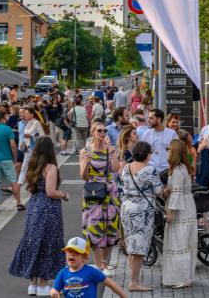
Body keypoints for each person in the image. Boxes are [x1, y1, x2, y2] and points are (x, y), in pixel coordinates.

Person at [8, 137, 68, 297]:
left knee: (35, 242)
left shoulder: (33, 166)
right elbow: (51, 192)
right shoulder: (51, 167)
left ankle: (32, 285)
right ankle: (43, 285)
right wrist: (64, 194)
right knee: (48, 243)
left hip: (34, 205)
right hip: (48, 208)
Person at [119, 141, 164, 292]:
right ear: (147, 155)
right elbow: (159, 192)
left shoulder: (126, 167)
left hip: (126, 207)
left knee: (132, 245)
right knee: (139, 246)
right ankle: (134, 283)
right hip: (141, 210)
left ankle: (134, 280)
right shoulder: (149, 170)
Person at [80, 121, 120, 272]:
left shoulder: (111, 149)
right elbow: (84, 176)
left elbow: (116, 168)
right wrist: (87, 164)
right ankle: (97, 265)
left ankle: (104, 262)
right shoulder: (85, 151)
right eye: (99, 131)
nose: (103, 133)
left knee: (111, 228)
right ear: (93, 133)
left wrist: (110, 149)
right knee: (94, 228)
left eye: (104, 131)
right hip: (93, 193)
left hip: (109, 193)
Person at [161, 139, 196, 289]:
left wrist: (169, 213)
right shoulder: (183, 168)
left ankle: (182, 278)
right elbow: (178, 190)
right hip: (187, 207)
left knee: (178, 242)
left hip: (180, 210)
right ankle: (185, 276)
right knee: (184, 243)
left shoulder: (177, 169)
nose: (167, 150)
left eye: (169, 148)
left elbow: (176, 195)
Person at [50, 237, 126, 298]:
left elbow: (111, 284)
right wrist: (54, 291)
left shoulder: (91, 272)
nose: (72, 255)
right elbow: (55, 288)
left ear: (84, 258)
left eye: (76, 253)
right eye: (69, 252)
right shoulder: (62, 273)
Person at [140, 109, 179, 177]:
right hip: (150, 171)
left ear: (158, 119)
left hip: (167, 171)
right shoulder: (146, 134)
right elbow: (142, 153)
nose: (148, 120)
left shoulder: (172, 133)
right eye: (148, 118)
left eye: (151, 118)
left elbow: (177, 153)